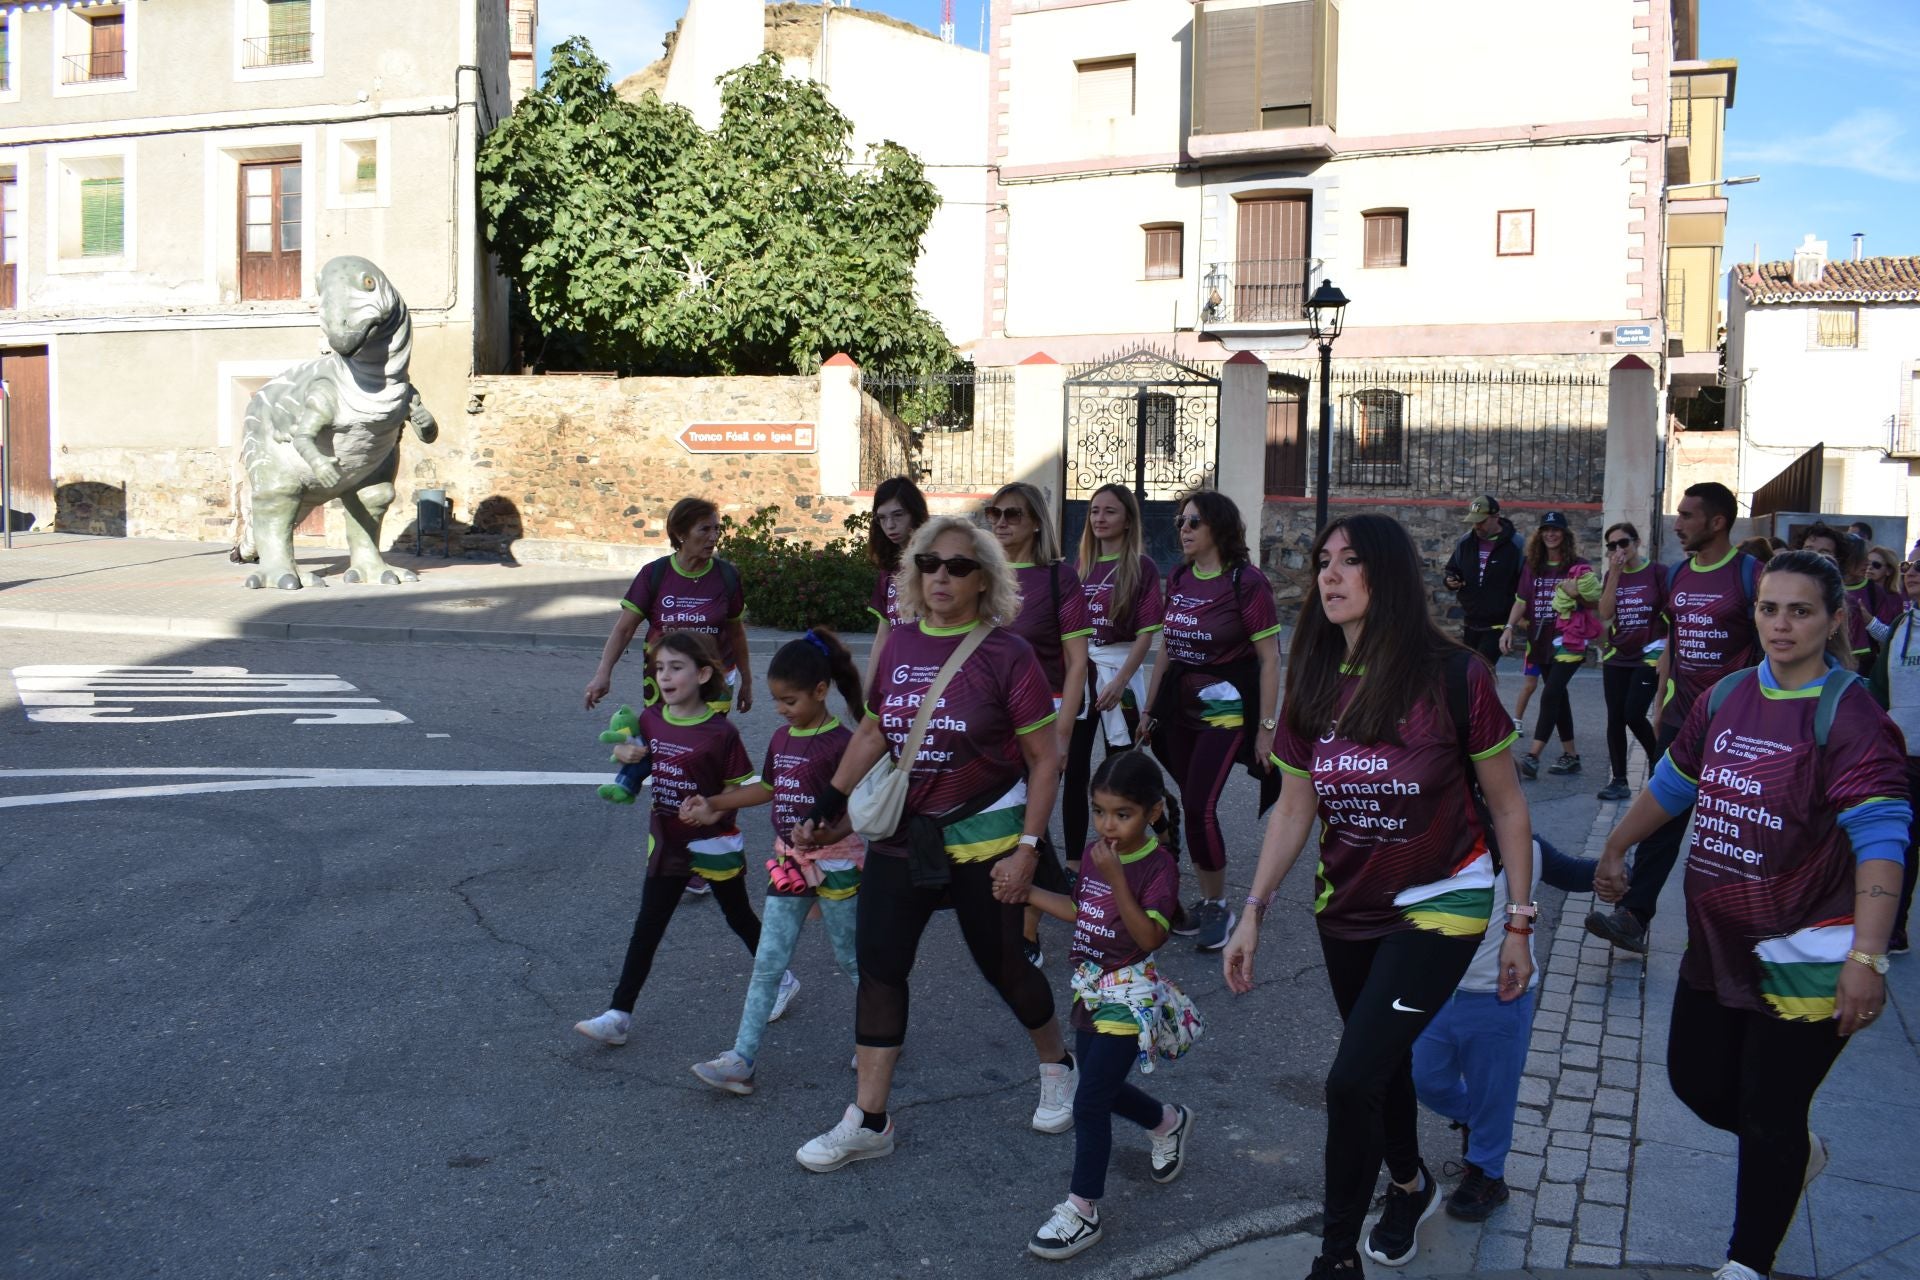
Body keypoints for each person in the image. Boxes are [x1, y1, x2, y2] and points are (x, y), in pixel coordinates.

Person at [1225, 513, 1535, 1279]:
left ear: (1387, 575)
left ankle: (1334, 1261)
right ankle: (1409, 1183)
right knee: (1382, 1065)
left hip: (1443, 904)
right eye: (1322, 561)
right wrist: (1254, 911)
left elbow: (1507, 805)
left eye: (1350, 562)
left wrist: (1519, 921)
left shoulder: (1454, 675)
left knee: (1349, 1078)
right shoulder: (1315, 677)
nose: (1328, 575)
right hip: (1348, 907)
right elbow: (1295, 806)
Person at [1595, 550, 1908, 1280]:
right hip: (1718, 942)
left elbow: (1883, 838)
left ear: (1835, 619)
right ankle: (1791, 1154)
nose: (1781, 623)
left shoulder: (1852, 714)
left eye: (1800, 610)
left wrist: (1867, 956)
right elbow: (1674, 782)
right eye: (1770, 608)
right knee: (1695, 1082)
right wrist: (1617, 845)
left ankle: (1746, 1260)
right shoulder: (1729, 693)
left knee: (1770, 1111)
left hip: (1809, 951)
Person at [790, 516, 1073, 1172]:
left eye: (959, 566)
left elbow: (1044, 758)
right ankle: (869, 1118)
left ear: (984, 581)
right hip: (903, 834)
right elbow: (872, 732)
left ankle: (1058, 1063)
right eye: (930, 564)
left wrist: (1028, 847)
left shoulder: (1009, 655)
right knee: (880, 967)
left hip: (986, 836)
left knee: (1004, 966)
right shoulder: (900, 645)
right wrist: (828, 804)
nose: (941, 576)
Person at [1019, 750, 1193, 1261]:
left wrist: (1117, 879)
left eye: (1123, 814)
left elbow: (1149, 936)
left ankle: (1082, 1210)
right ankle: (1167, 1122)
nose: (1108, 825)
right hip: (1090, 990)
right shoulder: (1101, 853)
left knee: (1088, 1102)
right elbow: (1082, 911)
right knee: (1104, 1087)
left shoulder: (1155, 867)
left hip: (1130, 994)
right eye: (1099, 812)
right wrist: (1028, 893)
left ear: (1153, 812)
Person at [573, 631, 786, 1047]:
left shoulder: (720, 732)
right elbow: (632, 756)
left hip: (714, 843)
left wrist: (713, 808)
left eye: (676, 668)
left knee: (739, 917)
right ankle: (619, 1013)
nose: (665, 676)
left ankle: (783, 979)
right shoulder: (651, 718)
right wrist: (624, 754)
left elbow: (742, 788)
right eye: (660, 668)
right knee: (648, 926)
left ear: (704, 673)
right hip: (667, 840)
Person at [686, 629, 867, 1095]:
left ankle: (879, 1036)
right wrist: (716, 804)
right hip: (789, 863)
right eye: (776, 700)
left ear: (821, 691)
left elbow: (865, 804)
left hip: (840, 865)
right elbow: (767, 787)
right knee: (768, 962)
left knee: (852, 959)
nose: (781, 709)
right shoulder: (782, 738)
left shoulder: (842, 744)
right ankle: (741, 1059)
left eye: (789, 700)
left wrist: (835, 832)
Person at [1587, 483, 1761, 954]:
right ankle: (1633, 917)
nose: (1678, 523)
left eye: (1687, 515)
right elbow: (1673, 643)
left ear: (1718, 521)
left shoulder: (1751, 575)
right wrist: (1662, 705)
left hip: (1739, 733)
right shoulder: (1681, 574)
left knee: (1736, 832)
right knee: (1661, 823)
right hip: (1682, 721)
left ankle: (1748, 931)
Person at [1412, 837, 1594, 1223]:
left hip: (1499, 997)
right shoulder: (1427, 836)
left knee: (1494, 1091)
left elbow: (1579, 874)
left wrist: (1621, 865)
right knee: (1423, 1076)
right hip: (1438, 991)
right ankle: (1479, 1126)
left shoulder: (1525, 847)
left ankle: (1487, 1173)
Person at [1140, 489, 1283, 952]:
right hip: (1177, 706)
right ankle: (1202, 884)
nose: (1182, 528)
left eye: (1193, 521)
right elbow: (1166, 646)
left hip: (1224, 706)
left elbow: (1269, 659)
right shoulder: (1179, 576)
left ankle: (1215, 904)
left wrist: (1265, 730)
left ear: (1218, 528)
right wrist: (1148, 708)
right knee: (1191, 797)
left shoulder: (1247, 582)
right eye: (1180, 521)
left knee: (1201, 806)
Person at [987, 481, 1095, 967]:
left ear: (1035, 522)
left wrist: (1064, 733)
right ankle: (1034, 900)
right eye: (994, 513)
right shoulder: (981, 575)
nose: (1001, 522)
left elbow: (1076, 664)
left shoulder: (1059, 579)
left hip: (1042, 715)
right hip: (988, 717)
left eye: (1012, 514)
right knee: (1008, 814)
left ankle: (1028, 925)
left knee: (1032, 816)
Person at [1065, 483, 1165, 871]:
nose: (1100, 519)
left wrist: (1121, 681)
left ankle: (1148, 844)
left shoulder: (1142, 567)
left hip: (1118, 676)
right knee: (1074, 773)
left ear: (1127, 520)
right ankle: (1074, 864)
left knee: (1124, 772)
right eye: (1094, 512)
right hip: (1083, 676)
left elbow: (1146, 633)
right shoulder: (1082, 567)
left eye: (1109, 512)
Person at [585, 495, 752, 715]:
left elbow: (736, 633)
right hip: (665, 682)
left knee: (707, 744)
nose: (714, 537)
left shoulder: (726, 575)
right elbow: (624, 629)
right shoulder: (655, 574)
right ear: (681, 534)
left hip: (713, 681)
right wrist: (603, 673)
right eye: (704, 530)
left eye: (716, 529)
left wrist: (747, 682)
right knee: (666, 742)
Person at [1501, 512, 1587, 778]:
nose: (1551, 534)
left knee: (1551, 693)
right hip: (1540, 640)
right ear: (1540, 534)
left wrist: (1578, 594)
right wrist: (1509, 628)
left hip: (1569, 641)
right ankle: (1571, 756)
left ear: (1565, 534)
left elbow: (1595, 603)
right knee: (1559, 696)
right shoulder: (1532, 565)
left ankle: (1533, 755)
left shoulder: (1579, 566)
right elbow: (1521, 600)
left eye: (1556, 530)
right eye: (1546, 529)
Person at [1868, 556, 1920, 955]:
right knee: (1898, 841)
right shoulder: (1902, 626)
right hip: (1899, 757)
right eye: (1908, 566)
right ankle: (1890, 928)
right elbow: (1879, 689)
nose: (1911, 572)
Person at [1596, 522, 1667, 801]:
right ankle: (1619, 780)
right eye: (1612, 546)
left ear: (1637, 543)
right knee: (1615, 717)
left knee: (1633, 713)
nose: (1618, 550)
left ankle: (1657, 762)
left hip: (1649, 654)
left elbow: (1673, 615)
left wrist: (1667, 654)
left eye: (1623, 543)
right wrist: (1614, 574)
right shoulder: (1612, 575)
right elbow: (1604, 613)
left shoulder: (1658, 573)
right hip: (1618, 655)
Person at [863, 476, 930, 689]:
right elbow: (884, 634)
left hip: (933, 675)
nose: (890, 525)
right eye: (882, 518)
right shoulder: (888, 571)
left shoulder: (937, 561)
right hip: (898, 675)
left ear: (915, 513)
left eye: (898, 515)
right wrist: (868, 690)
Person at [1444, 495, 1522, 669]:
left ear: (1496, 517)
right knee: (1471, 673)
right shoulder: (1465, 541)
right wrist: (1450, 581)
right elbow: (1452, 569)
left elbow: (1525, 582)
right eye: (1474, 521)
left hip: (1498, 623)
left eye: (1482, 521)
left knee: (1480, 668)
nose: (1477, 525)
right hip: (1471, 621)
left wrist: (1514, 621)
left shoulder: (1516, 544)